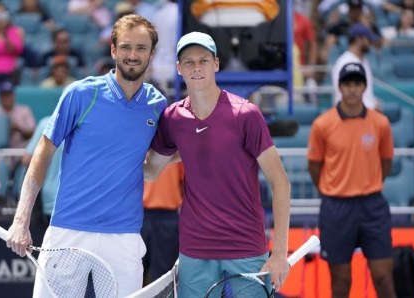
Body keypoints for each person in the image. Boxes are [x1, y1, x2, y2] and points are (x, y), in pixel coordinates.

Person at [6, 14, 167, 298]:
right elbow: (42, 153)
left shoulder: (158, 105)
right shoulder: (81, 94)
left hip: (124, 235)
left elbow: (156, 161)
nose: (133, 55)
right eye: (126, 47)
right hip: (68, 231)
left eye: (141, 48)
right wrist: (21, 220)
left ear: (152, 54)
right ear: (113, 50)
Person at [144, 32, 291, 298]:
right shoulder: (172, 118)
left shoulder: (246, 114)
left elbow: (280, 183)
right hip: (195, 250)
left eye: (203, 60)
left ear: (216, 64)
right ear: (178, 68)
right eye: (188, 62)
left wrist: (279, 254)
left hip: (246, 247)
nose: (196, 67)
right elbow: (151, 172)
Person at [308, 62, 396, 298]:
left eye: (357, 83)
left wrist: (367, 183)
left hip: (372, 205)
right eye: (347, 83)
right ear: (339, 87)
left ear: (365, 87)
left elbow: (385, 162)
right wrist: (333, 189)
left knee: (384, 279)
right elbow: (314, 166)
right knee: (340, 282)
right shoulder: (323, 124)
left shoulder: (380, 123)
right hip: (337, 207)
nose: (352, 89)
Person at [141, 162, 183, 285]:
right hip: (138, 216)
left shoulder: (177, 146)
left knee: (163, 277)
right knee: (133, 270)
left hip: (168, 217)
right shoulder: (137, 144)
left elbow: (185, 181)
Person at [20, 116, 64, 226]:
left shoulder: (46, 123)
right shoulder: (90, 125)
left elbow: (27, 159)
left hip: (51, 198)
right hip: (81, 201)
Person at [332, 23, 381, 110]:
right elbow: (344, 96)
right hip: (350, 115)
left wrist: (374, 103)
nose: (370, 43)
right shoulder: (345, 62)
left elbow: (368, 93)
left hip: (366, 114)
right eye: (368, 39)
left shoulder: (364, 60)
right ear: (358, 39)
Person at [0, 80, 36, 148]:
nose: (6, 97)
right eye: (3, 95)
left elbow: (33, 134)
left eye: (8, 94)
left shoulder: (25, 110)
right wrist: (7, 131)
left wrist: (19, 128)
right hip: (1, 152)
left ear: (14, 95)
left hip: (22, 151)